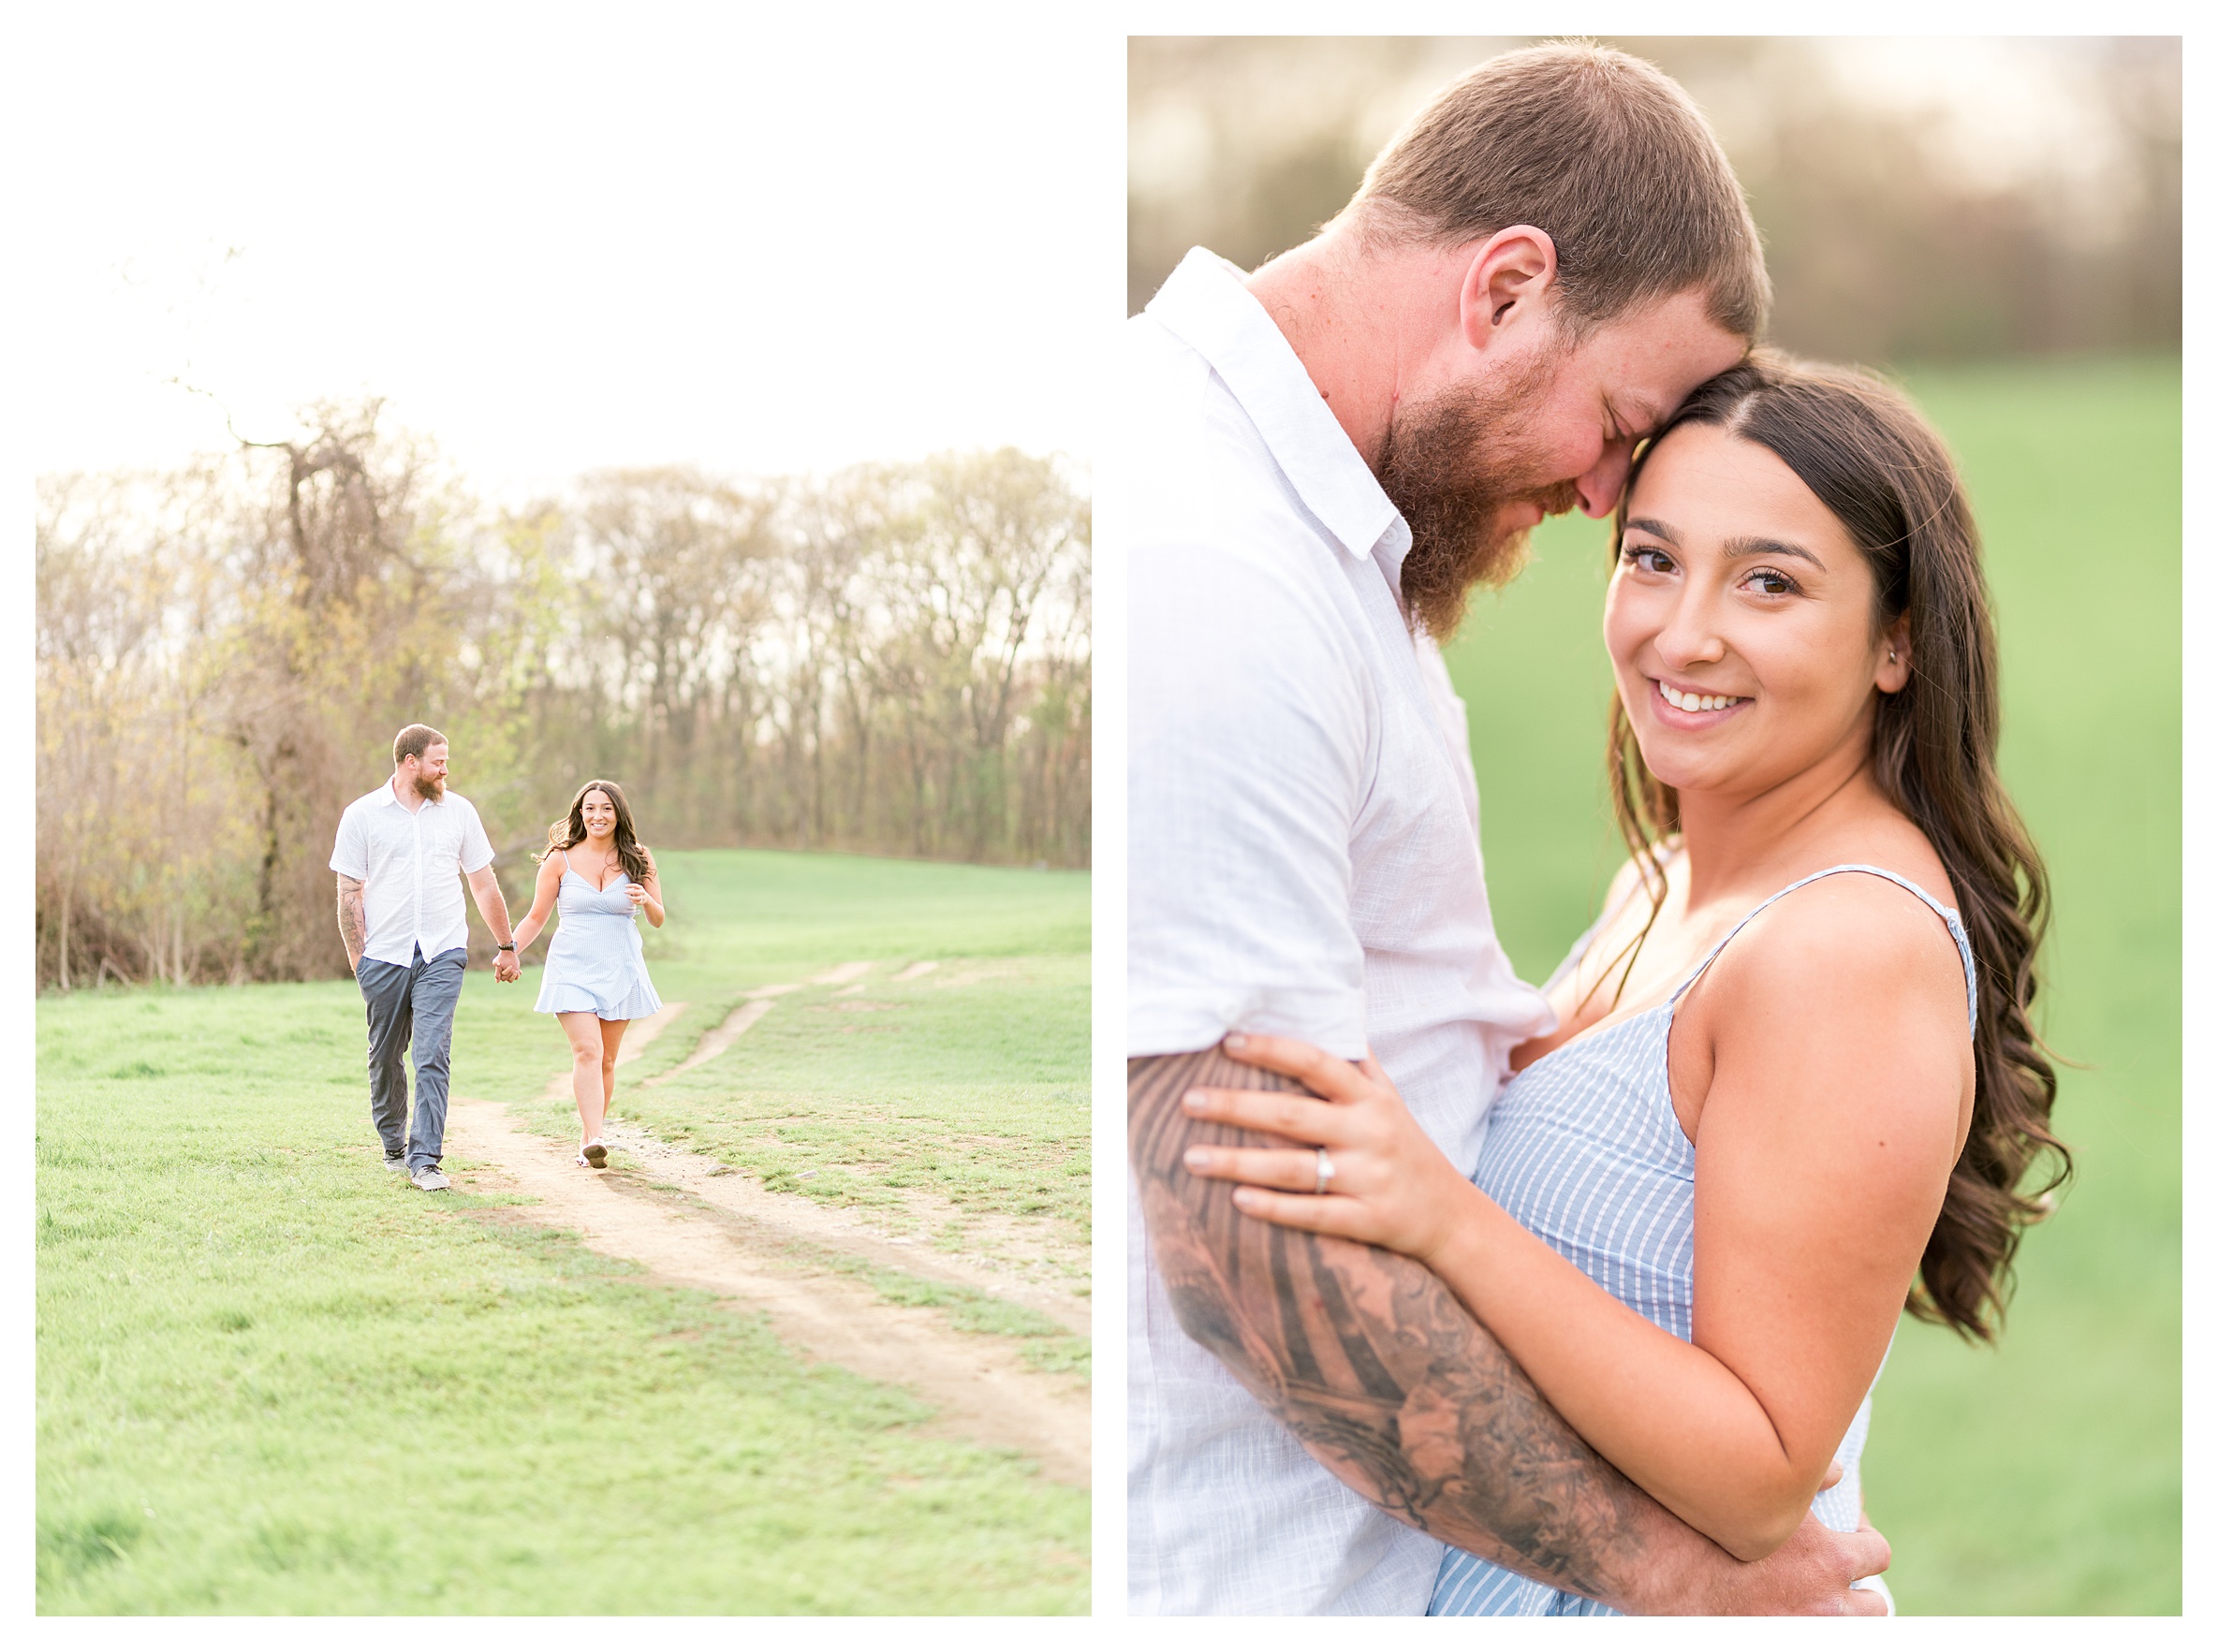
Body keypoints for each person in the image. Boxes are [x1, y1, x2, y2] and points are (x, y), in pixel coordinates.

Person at [1126, 42, 1889, 1614]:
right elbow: (1241, 1234)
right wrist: (1665, 1577)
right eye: (1617, 426)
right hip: (1251, 1584)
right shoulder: (1211, 567)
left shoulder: (1324, 541)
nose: (1607, 496)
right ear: (1502, 290)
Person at [1174, 355, 2069, 1614]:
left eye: (1769, 581)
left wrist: (1440, 1213)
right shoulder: (1658, 882)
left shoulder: (1842, 947)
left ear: (1897, 642)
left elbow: (1763, 1470)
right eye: (1652, 557)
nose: (1682, 628)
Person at [332, 724, 521, 1194]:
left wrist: (505, 944)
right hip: (384, 955)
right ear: (409, 762)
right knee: (386, 1056)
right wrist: (360, 962)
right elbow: (348, 894)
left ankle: (426, 1159)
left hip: (443, 949)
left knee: (431, 1052)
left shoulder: (459, 812)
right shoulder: (362, 816)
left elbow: (482, 881)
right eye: (438, 761)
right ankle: (393, 1144)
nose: (445, 769)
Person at [509, 780, 665, 1168]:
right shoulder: (559, 859)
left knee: (607, 1060)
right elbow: (535, 917)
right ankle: (596, 1137)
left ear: (618, 814)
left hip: (621, 968)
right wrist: (508, 951)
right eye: (590, 808)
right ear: (580, 812)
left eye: (606, 808)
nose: (598, 815)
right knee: (587, 1051)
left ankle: (587, 1140)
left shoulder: (638, 857)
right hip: (571, 968)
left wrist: (645, 898)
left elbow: (658, 918)